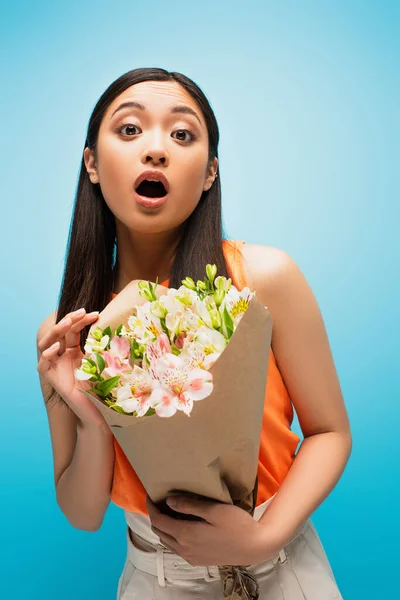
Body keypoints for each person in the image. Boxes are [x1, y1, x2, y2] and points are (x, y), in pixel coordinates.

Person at [36, 67, 350, 599]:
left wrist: (262, 539)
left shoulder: (262, 279)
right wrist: (89, 413)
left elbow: (330, 432)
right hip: (154, 578)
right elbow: (84, 513)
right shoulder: (68, 333)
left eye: (182, 135)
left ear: (209, 173)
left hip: (281, 565)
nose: (156, 150)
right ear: (92, 162)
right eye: (130, 129)